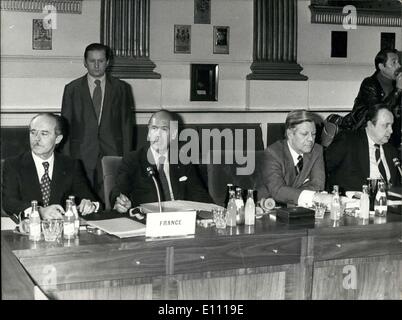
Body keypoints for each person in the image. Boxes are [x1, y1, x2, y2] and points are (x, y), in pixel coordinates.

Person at [61, 43, 134, 202]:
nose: (96, 65)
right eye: (92, 60)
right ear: (85, 62)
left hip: (112, 152)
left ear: (108, 62)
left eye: (101, 61)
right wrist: (66, 159)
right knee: (82, 199)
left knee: (112, 198)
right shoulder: (72, 89)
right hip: (80, 153)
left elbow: (127, 126)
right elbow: (65, 127)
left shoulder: (121, 88)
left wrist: (127, 158)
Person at [111, 110, 213, 213]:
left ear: (173, 134)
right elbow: (118, 190)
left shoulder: (183, 160)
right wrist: (120, 201)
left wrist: (212, 211)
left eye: (164, 129)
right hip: (147, 220)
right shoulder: (133, 159)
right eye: (154, 128)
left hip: (180, 219)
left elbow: (200, 195)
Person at [2, 113, 99, 221]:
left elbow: (90, 199)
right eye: (33, 132)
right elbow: (9, 203)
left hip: (62, 231)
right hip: (28, 229)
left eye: (44, 134)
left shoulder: (71, 165)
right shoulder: (13, 164)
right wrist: (39, 211)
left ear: (58, 139)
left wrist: (91, 205)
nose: (36, 139)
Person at [256, 110, 331, 208]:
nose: (311, 139)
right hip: (271, 209)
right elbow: (278, 190)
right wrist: (312, 196)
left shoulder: (317, 150)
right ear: (290, 134)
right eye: (304, 134)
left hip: (303, 209)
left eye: (313, 134)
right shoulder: (272, 153)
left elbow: (318, 186)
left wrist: (290, 195)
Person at [326, 104, 401, 193]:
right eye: (386, 125)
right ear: (370, 124)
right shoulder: (348, 140)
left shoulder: (392, 151)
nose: (391, 130)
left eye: (391, 125)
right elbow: (324, 169)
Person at [342, 48, 402, 148]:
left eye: (398, 62)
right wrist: (398, 91)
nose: (399, 66)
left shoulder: (397, 84)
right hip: (366, 137)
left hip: (390, 137)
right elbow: (377, 113)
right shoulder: (369, 84)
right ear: (382, 66)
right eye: (394, 62)